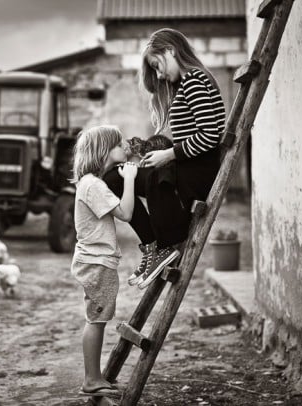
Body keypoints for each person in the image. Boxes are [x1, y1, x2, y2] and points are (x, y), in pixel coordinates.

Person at [103, 28, 226, 289]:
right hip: (186, 169)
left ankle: (161, 246)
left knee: (119, 177)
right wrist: (157, 153)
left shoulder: (193, 80)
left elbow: (209, 136)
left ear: (170, 50)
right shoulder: (188, 83)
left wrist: (168, 155)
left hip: (196, 175)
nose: (159, 75)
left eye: (157, 66)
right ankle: (152, 249)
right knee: (115, 177)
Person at [71, 125, 138, 398]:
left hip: (98, 260)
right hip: (97, 262)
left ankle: (96, 377)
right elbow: (126, 213)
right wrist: (131, 178)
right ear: (104, 150)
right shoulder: (93, 185)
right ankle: (91, 379)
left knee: (98, 318)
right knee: (96, 319)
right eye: (119, 143)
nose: (125, 146)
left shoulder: (90, 183)